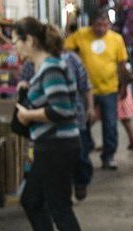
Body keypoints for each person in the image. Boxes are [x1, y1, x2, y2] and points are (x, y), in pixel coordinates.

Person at [13, 17, 93, 231]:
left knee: (59, 206)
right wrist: (26, 94)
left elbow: (62, 110)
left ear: (30, 41)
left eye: (17, 41)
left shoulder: (51, 68)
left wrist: (27, 115)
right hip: (49, 145)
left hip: (58, 146)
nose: (15, 47)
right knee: (31, 199)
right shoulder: (41, 69)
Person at [20, 48, 93, 200]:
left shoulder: (68, 60)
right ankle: (61, 193)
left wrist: (90, 107)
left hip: (72, 119)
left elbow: (85, 85)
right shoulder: (30, 63)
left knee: (80, 156)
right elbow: (24, 83)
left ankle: (79, 183)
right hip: (45, 126)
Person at [65, 7, 129, 171]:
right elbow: (65, 50)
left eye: (104, 25)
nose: (101, 28)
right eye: (98, 25)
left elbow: (122, 64)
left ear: (109, 24)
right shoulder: (80, 35)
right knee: (84, 123)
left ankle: (108, 156)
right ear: (92, 24)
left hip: (109, 88)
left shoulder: (116, 39)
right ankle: (86, 151)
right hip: (86, 90)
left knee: (110, 125)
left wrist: (124, 86)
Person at [116, 63, 133, 149]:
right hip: (123, 92)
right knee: (125, 119)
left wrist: (122, 91)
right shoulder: (125, 64)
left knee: (124, 118)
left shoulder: (121, 64)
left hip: (121, 93)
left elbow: (129, 77)